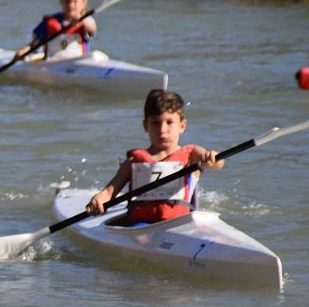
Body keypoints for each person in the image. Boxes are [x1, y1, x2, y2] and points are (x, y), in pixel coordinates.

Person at [86, 89, 224, 225]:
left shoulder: (192, 154)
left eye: (169, 122)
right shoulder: (133, 162)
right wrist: (99, 200)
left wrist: (212, 157)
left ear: (182, 126)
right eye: (156, 123)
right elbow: (109, 192)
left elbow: (218, 163)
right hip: (141, 227)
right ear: (146, 126)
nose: (162, 130)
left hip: (180, 225)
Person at [14, 0, 96, 63]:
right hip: (52, 65)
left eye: (75, 1)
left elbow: (92, 29)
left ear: (84, 3)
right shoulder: (49, 22)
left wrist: (81, 20)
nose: (71, 5)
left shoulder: (86, 21)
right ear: (61, 1)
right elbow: (34, 44)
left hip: (78, 65)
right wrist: (23, 51)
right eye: (67, 1)